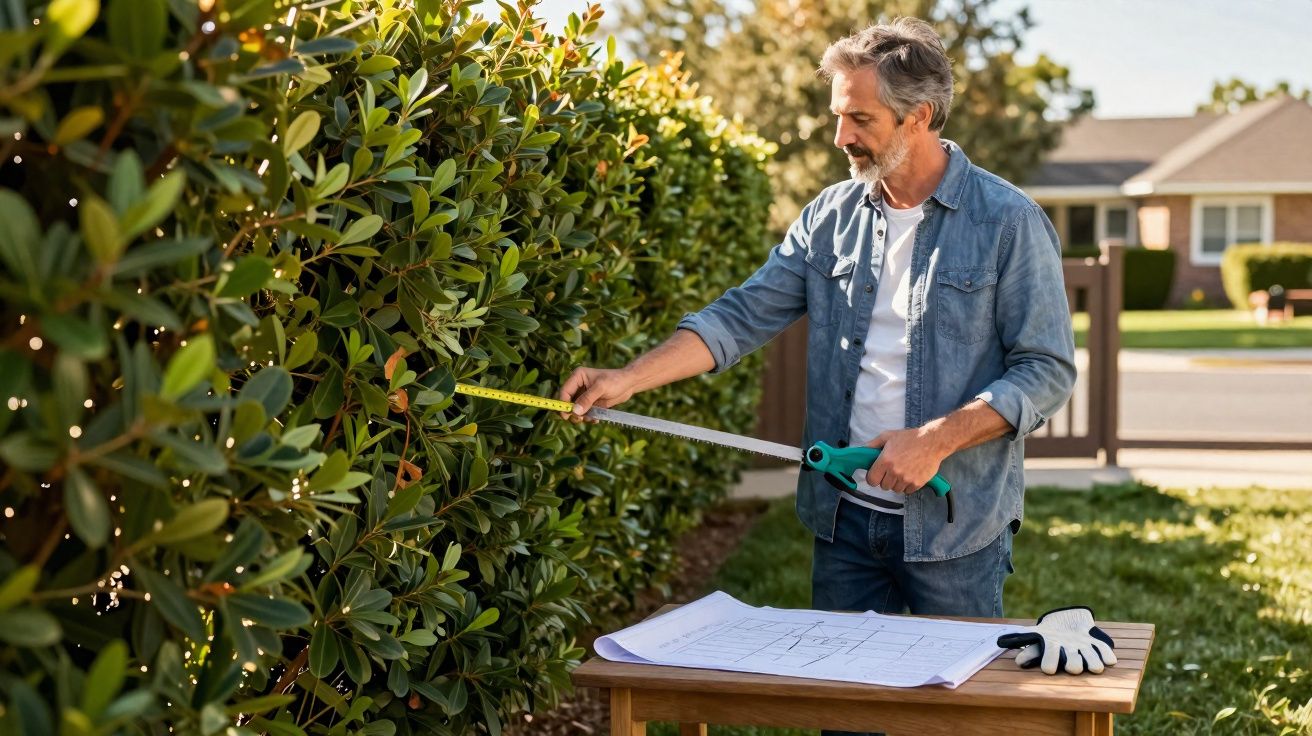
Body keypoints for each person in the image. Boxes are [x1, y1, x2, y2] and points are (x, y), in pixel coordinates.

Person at [560, 19, 1075, 732]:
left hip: (955, 532)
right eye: (838, 115)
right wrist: (627, 380)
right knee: (844, 717)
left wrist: (934, 440)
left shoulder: (1008, 221)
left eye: (859, 118)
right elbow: (739, 317)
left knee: (958, 721)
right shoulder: (829, 217)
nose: (841, 137)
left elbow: (1046, 369)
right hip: (845, 524)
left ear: (917, 117)